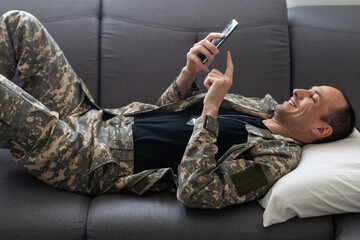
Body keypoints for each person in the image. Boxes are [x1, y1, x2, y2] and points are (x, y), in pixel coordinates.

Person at [0, 11, 356, 209]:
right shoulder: (257, 108)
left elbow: (198, 191)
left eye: (313, 97)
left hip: (84, 157)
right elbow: (163, 116)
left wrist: (211, 110)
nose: (299, 91)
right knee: (19, 23)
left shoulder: (271, 164)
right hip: (93, 117)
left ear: (321, 130)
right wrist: (188, 74)